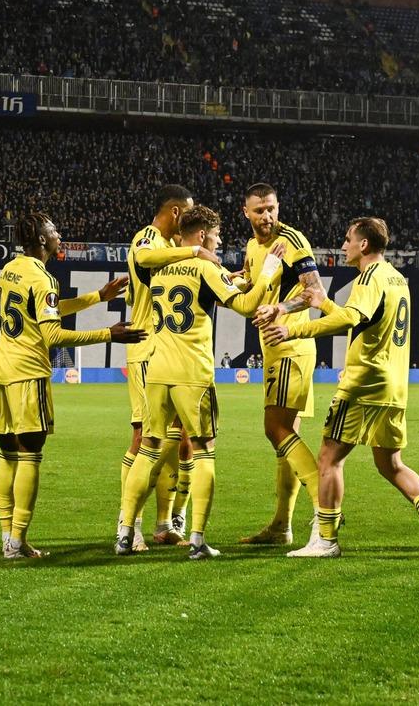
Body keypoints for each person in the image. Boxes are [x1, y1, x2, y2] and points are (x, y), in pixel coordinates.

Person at [262, 217, 419, 558]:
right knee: (390, 464)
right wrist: (323, 302)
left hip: (364, 383)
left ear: (364, 245)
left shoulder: (369, 277)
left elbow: (351, 318)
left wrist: (293, 331)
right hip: (394, 385)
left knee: (328, 458)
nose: (343, 246)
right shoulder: (397, 278)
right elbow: (364, 317)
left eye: (348, 239)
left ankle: (325, 540)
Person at [116, 205, 283, 559]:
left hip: (156, 371)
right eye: (217, 236)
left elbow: (198, 290)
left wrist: (230, 278)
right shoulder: (205, 265)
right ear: (204, 234)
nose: (219, 242)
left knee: (148, 450)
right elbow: (247, 305)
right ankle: (196, 540)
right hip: (192, 374)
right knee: (205, 451)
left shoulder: (161, 267)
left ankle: (125, 532)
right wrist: (268, 272)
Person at [0, 210, 143, 559]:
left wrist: (97, 297)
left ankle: (6, 537)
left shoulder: (10, 270)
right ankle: (18, 542)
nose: (59, 235)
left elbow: (45, 309)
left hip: (0, 369)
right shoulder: (43, 279)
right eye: (54, 230)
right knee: (30, 454)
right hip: (28, 372)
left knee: (7, 453)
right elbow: (53, 333)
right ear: (42, 239)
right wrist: (110, 334)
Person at [119, 184, 219, 549]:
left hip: (171, 353)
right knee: (144, 441)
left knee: (183, 443)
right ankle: (131, 525)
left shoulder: (174, 252)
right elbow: (144, 259)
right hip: (148, 348)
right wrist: (195, 250)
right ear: (176, 213)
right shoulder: (149, 238)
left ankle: (167, 520)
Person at [240, 182, 325, 546]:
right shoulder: (251, 247)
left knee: (275, 428)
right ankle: (281, 525)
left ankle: (326, 506)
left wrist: (281, 309)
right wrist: (234, 280)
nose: (267, 216)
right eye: (259, 211)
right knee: (286, 435)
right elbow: (252, 282)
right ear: (246, 213)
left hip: (292, 345)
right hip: (275, 348)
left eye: (271, 208)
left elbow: (315, 292)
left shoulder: (292, 240)